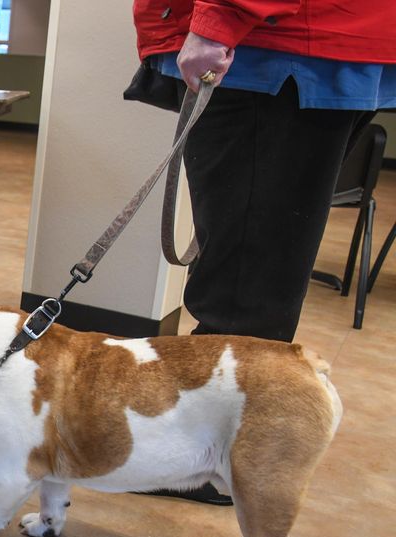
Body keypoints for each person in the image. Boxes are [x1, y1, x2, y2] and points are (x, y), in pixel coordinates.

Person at [130, 0, 396, 504]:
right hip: (294, 47)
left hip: (272, 51)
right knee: (256, 260)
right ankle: (221, 451)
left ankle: (210, 464)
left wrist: (218, 21)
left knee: (245, 282)